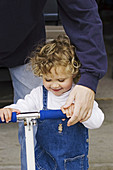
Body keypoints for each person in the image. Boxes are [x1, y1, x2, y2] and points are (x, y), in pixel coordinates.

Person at [0, 1, 107, 169]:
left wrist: (83, 112)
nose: (54, 85)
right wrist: (11, 110)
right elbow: (24, 106)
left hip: (73, 164)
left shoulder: (77, 97)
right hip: (44, 163)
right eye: (48, 80)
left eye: (61, 80)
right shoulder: (38, 94)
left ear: (73, 74)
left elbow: (97, 121)